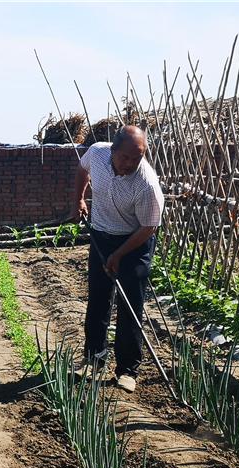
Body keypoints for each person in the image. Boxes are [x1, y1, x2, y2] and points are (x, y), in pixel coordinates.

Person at [73, 125, 164, 393]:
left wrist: (119, 254)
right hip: (102, 234)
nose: (130, 163)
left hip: (134, 242)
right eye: (125, 157)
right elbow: (82, 170)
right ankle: (94, 358)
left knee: (129, 304)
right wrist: (78, 199)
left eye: (137, 158)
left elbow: (149, 227)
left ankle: (127, 370)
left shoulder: (146, 184)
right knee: (99, 297)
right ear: (113, 151)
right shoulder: (97, 154)